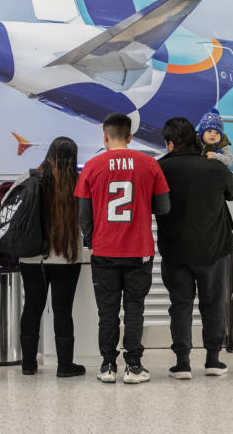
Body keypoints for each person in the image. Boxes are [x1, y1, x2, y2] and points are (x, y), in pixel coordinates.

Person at [76, 112, 170, 385]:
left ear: (105, 136)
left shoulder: (92, 166)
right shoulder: (150, 164)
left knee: (107, 311)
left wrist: (92, 240)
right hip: (139, 250)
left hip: (104, 251)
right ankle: (134, 366)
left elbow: (83, 215)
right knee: (134, 308)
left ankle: (107, 366)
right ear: (130, 137)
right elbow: (164, 207)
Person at [156, 117, 233, 379]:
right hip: (213, 250)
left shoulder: (160, 168)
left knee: (180, 305)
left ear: (170, 144)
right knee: (213, 304)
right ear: (195, 138)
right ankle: (213, 360)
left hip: (175, 251)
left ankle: (182, 364)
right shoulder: (214, 166)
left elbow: (154, 204)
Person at [16, 137, 86, 377]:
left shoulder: (30, 177)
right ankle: (65, 365)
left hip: (32, 256)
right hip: (66, 256)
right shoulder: (79, 182)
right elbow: (87, 218)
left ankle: (28, 364)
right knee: (63, 310)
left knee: (32, 307)